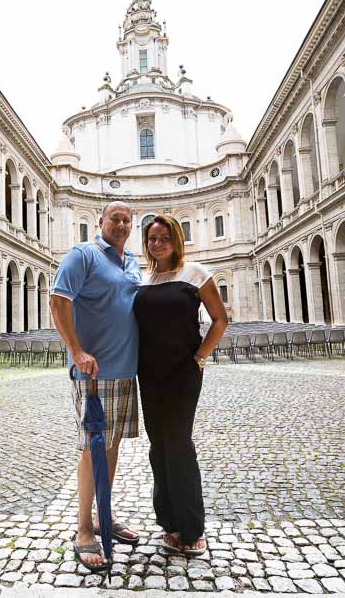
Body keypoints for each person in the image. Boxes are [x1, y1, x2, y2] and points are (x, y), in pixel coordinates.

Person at [49, 201, 142, 571]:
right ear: (100, 222)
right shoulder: (83, 254)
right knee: (91, 448)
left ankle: (104, 513)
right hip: (93, 374)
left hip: (125, 371)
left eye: (126, 220)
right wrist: (76, 351)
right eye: (114, 219)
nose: (120, 224)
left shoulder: (132, 260)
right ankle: (84, 528)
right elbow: (58, 301)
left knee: (112, 445)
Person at [133, 214, 228, 556]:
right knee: (158, 446)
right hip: (149, 373)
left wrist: (200, 358)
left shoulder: (196, 273)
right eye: (151, 239)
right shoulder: (144, 278)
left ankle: (191, 527)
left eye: (163, 238)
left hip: (183, 372)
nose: (156, 244)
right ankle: (169, 521)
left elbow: (220, 320)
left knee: (179, 444)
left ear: (176, 238)